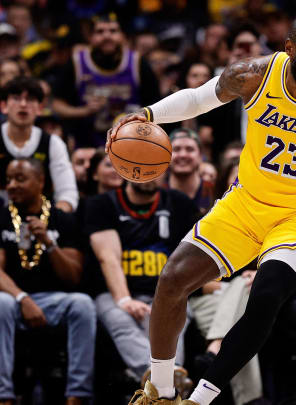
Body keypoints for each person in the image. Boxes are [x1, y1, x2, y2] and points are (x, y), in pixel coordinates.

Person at [107, 13, 296, 405]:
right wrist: (149, 115)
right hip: (246, 202)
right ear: (289, 50)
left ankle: (200, 399)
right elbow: (198, 98)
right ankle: (160, 391)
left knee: (266, 293)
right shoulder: (254, 74)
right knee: (172, 279)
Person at [86, 176, 199, 395]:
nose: (150, 175)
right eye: (143, 168)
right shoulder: (102, 204)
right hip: (115, 293)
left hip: (165, 291)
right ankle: (165, 379)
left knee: (173, 319)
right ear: (126, 170)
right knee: (121, 321)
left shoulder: (178, 202)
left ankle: (156, 383)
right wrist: (124, 299)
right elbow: (108, 257)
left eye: (155, 169)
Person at [0, 158, 93, 405]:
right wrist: (22, 298)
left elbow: (73, 276)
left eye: (20, 179)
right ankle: (3, 396)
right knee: (1, 304)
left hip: (53, 301)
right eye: (8, 179)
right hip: (12, 299)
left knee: (82, 304)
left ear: (41, 181)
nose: (11, 185)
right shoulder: (1, 216)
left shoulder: (62, 219)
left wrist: (49, 244)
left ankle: (77, 395)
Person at [51, 12, 160, 147]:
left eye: (113, 31)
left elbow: (156, 105)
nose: (107, 36)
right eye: (100, 31)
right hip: (87, 144)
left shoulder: (138, 63)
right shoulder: (77, 62)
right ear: (90, 37)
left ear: (123, 36)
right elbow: (56, 104)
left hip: (131, 143)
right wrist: (84, 111)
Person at [0, 76, 78, 212]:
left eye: (30, 99)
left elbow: (68, 194)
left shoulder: (53, 143)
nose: (23, 104)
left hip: (41, 218)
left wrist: (53, 219)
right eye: (16, 98)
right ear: (4, 106)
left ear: (40, 108)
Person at [167, 128, 215, 215]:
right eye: (176, 149)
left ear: (200, 156)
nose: (183, 155)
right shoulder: (156, 195)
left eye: (190, 149)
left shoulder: (214, 193)